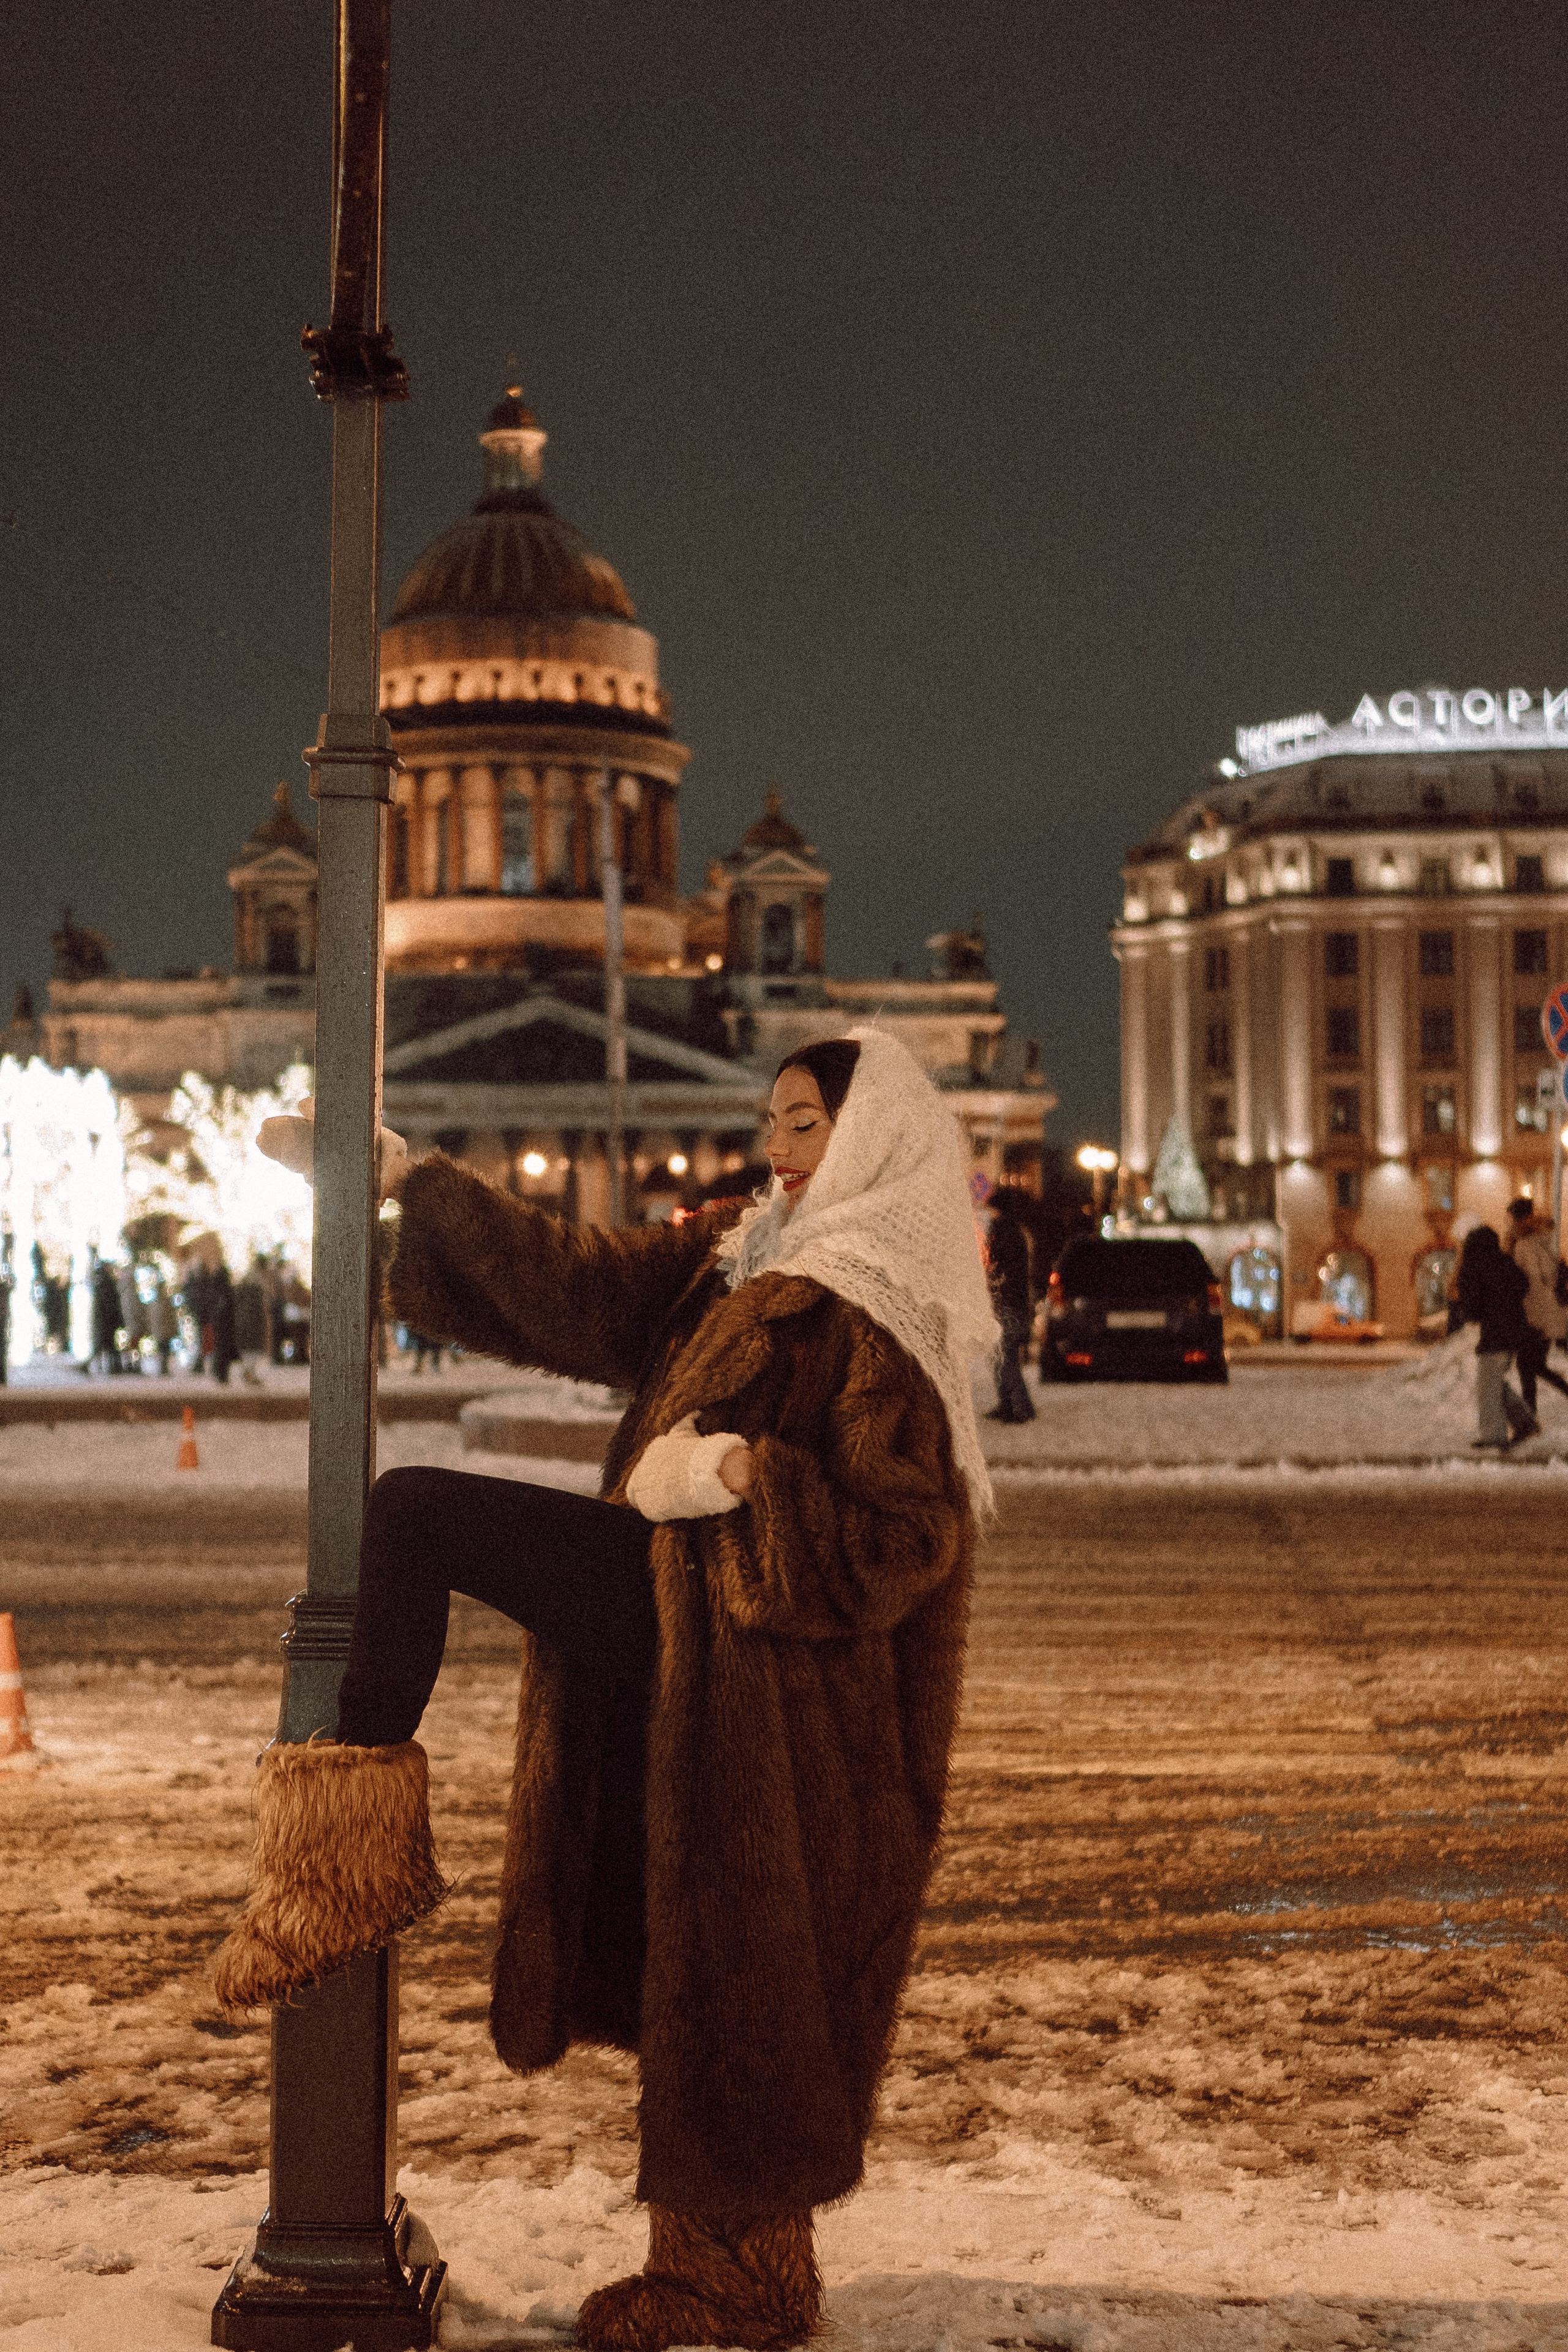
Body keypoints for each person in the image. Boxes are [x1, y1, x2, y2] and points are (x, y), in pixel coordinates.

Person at [216, 1029, 997, 2352]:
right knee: (697, 1976)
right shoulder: (743, 1269)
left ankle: (338, 1852)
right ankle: (738, 2275)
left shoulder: (880, 1311)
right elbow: (567, 1288)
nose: (773, 1150)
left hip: (780, 1709)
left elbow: (903, 1541)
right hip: (691, 1646)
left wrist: (741, 1482)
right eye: (771, 1122)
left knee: (745, 1993)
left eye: (803, 1126)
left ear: (875, 1140)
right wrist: (407, 1181)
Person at [1455, 1223, 1537, 1449]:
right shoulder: (1504, 1261)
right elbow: (1524, 1284)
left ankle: (1494, 1436)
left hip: (1495, 1334)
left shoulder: (1474, 1265)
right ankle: (1525, 1421)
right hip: (1513, 1331)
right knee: (1493, 1381)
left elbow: (1471, 1304)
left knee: (1487, 1385)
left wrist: (1480, 1310)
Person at [1504, 1196, 1568, 1420]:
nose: (1509, 1222)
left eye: (1511, 1218)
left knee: (1526, 1365)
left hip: (1536, 1316)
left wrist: (1529, 1319)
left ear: (1517, 1218)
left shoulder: (1524, 1244)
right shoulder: (1544, 1239)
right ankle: (1531, 1412)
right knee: (1534, 1366)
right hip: (1549, 1315)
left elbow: (1531, 1283)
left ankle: (1530, 1416)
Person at [984, 1185, 1036, 1423]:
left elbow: (995, 1265)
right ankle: (1011, 1405)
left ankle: (1018, 1408)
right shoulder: (1017, 1230)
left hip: (1007, 1303)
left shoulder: (1003, 1230)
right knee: (1005, 1357)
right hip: (1017, 1302)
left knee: (1005, 1358)